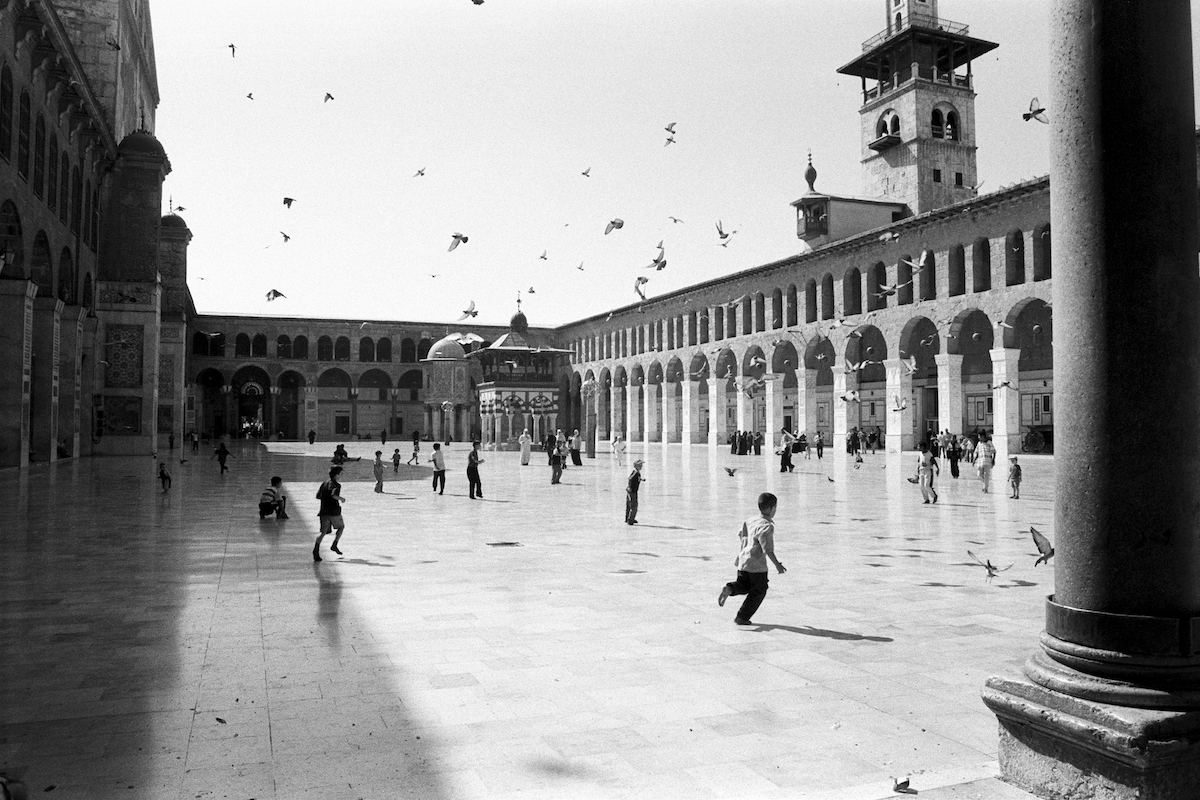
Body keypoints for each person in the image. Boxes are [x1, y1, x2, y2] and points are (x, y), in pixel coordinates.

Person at [718, 492, 786, 625]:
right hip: (757, 566)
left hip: (743, 561)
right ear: (772, 508)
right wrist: (777, 564)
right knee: (759, 590)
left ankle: (730, 588)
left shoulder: (750, 521)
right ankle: (742, 617)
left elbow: (741, 535)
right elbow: (768, 549)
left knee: (744, 585)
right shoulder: (767, 526)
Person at [313, 466, 346, 561]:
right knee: (341, 527)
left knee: (323, 533)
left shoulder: (324, 483)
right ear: (337, 475)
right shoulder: (336, 485)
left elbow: (318, 496)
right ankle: (334, 544)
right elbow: (334, 495)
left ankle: (316, 550)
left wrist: (325, 499)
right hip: (334, 511)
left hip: (323, 511)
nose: (341, 475)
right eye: (340, 474)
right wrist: (341, 499)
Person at [625, 459, 644, 524]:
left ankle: (627, 518)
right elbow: (630, 479)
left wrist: (640, 479)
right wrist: (630, 487)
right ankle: (630, 520)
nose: (641, 466)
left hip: (630, 490)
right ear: (636, 466)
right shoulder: (636, 472)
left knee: (629, 506)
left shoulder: (635, 472)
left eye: (641, 465)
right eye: (639, 465)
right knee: (634, 506)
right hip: (632, 491)